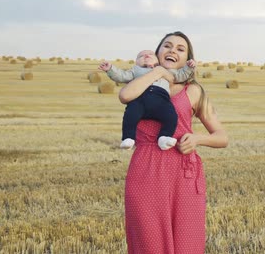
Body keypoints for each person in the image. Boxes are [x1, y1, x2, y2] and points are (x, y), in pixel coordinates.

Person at [120, 32, 228, 253]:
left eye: (180, 49)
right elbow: (125, 96)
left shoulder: (193, 91)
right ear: (157, 53)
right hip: (145, 168)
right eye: (167, 46)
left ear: (187, 58)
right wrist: (159, 72)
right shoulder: (140, 84)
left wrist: (198, 138)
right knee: (147, 242)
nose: (172, 50)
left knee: (186, 243)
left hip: (183, 172)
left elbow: (221, 136)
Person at [98, 50, 196, 150]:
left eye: (150, 54)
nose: (146, 55)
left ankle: (164, 137)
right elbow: (122, 76)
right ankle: (128, 138)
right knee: (130, 115)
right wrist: (110, 69)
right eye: (141, 56)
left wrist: (189, 67)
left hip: (161, 100)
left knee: (171, 116)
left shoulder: (165, 70)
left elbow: (180, 75)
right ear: (136, 62)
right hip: (140, 100)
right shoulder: (135, 70)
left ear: (157, 60)